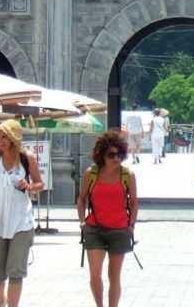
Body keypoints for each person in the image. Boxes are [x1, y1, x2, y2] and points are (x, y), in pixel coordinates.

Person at [0, 119, 44, 307]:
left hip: (21, 222)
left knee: (15, 270)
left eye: (5, 136)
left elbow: (40, 184)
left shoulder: (26, 158)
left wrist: (28, 186)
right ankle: (0, 300)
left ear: (14, 138)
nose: (0, 140)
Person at [78, 130, 138, 307]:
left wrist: (131, 225)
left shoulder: (128, 175)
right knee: (95, 273)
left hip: (119, 229)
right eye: (111, 155)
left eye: (119, 154)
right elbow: (81, 199)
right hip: (94, 228)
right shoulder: (92, 174)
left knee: (114, 275)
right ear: (101, 155)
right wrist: (82, 222)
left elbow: (134, 202)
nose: (116, 158)